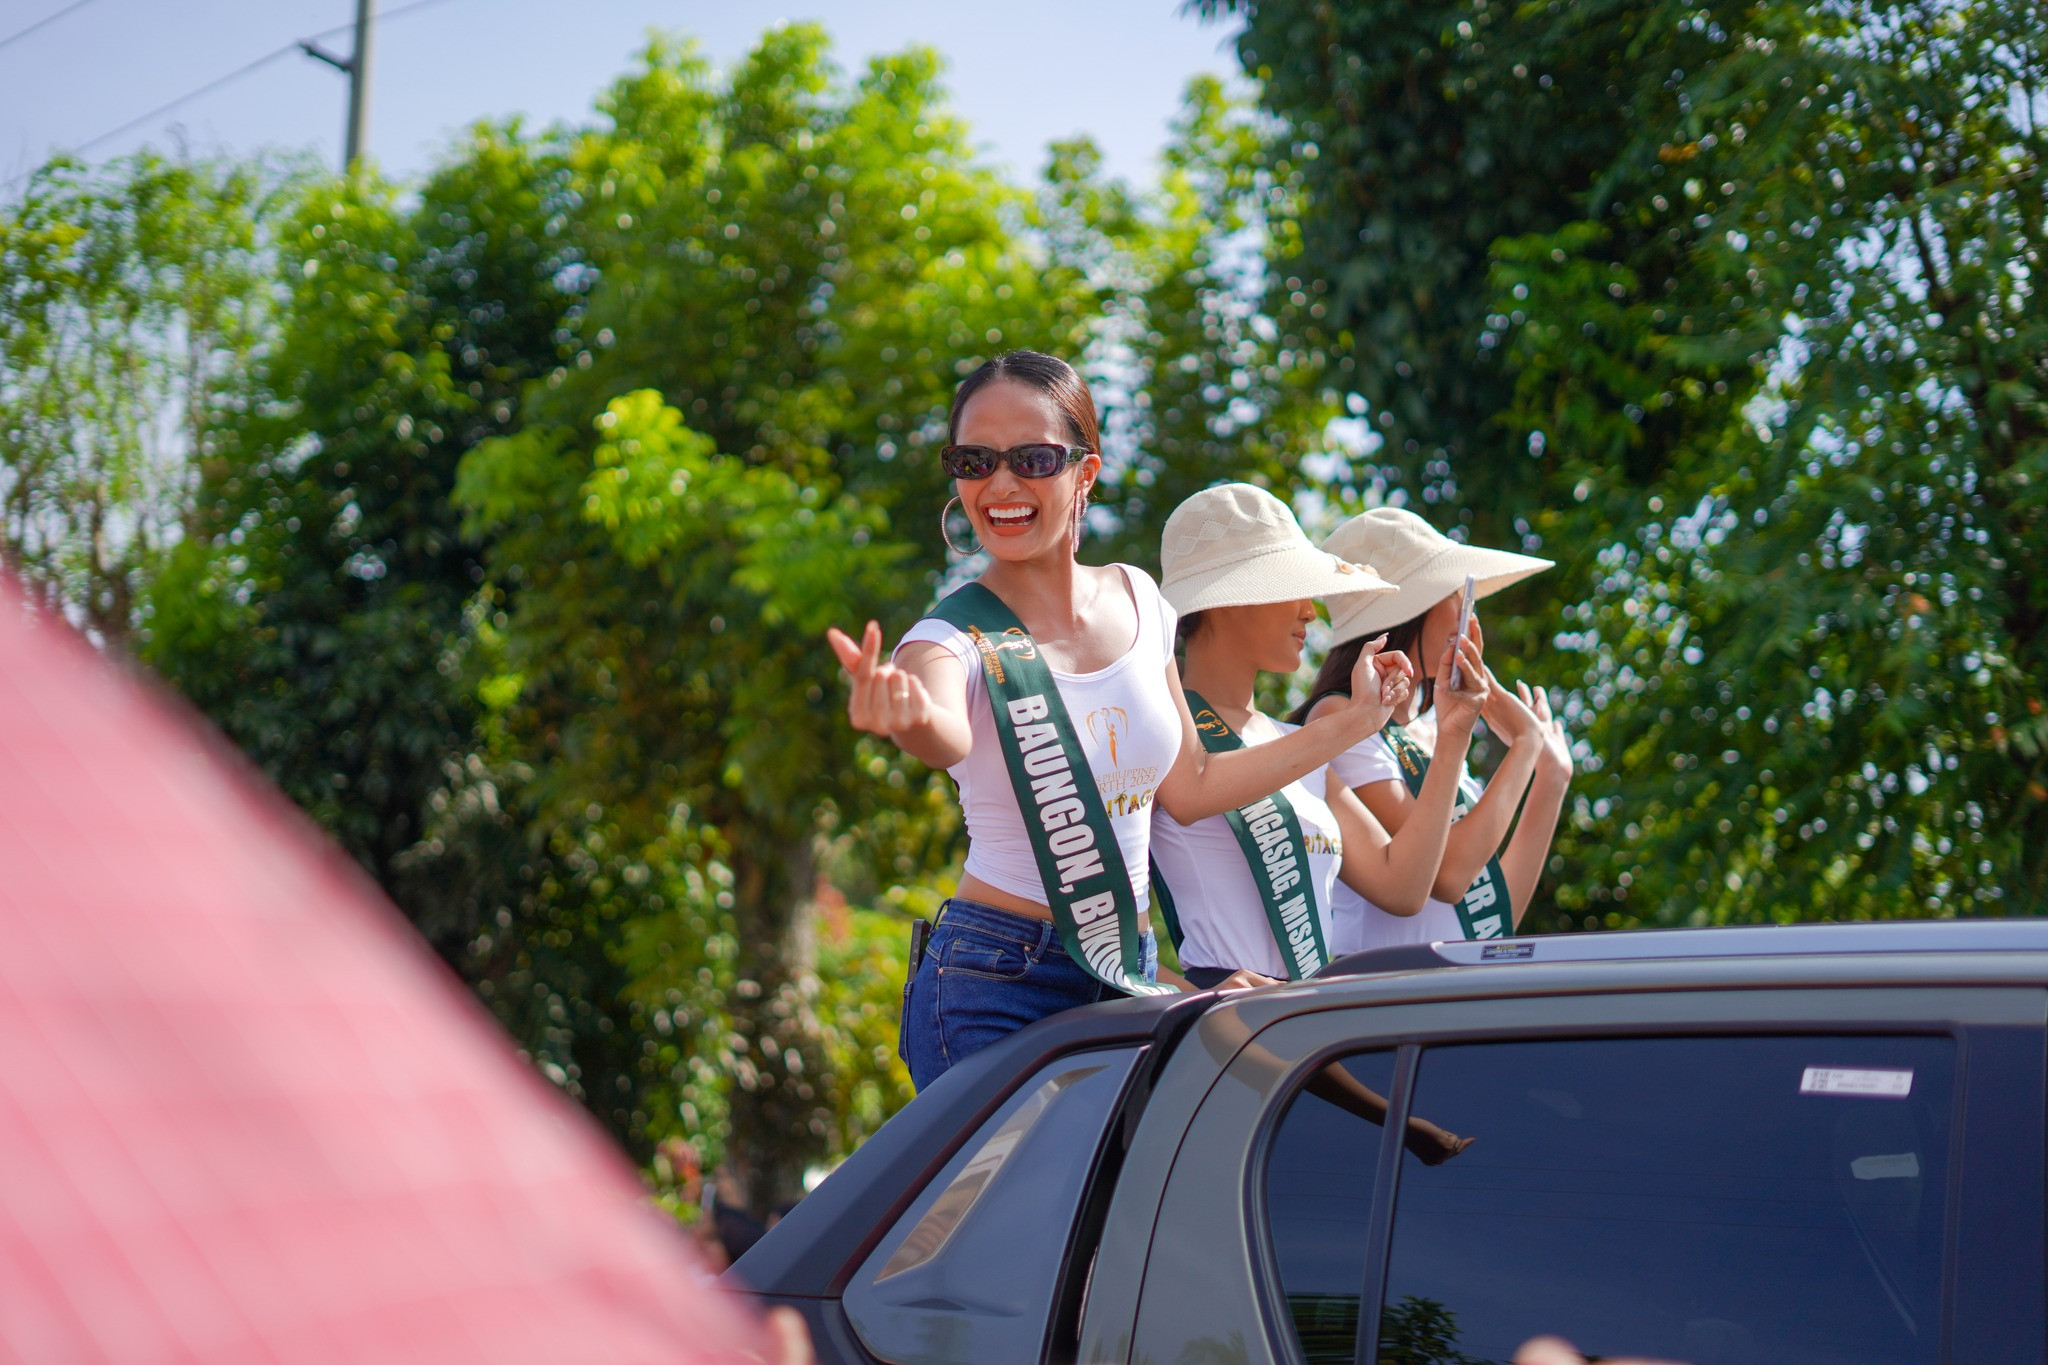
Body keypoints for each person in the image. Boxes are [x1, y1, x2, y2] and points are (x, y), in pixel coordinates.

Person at [826, 352, 1414, 1089]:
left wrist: (1357, 722)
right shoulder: (950, 638)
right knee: (1015, 1207)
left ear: (1086, 472)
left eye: (1032, 458)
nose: (1001, 484)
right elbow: (941, 725)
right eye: (974, 460)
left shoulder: (1142, 600)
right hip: (993, 980)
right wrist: (904, 715)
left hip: (1123, 973)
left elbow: (1194, 785)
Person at [1148, 483, 1493, 987]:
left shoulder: (1298, 741)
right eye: (1293, 586)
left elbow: (1404, 885)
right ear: (1230, 598)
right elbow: (1092, 923)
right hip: (1218, 1034)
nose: (1311, 611)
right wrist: (1186, 998)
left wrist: (1456, 733)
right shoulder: (1157, 730)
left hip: (1303, 1020)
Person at [1296, 507, 1572, 950]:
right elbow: (1448, 877)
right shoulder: (1341, 718)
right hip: (1380, 1002)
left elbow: (1489, 921)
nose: (1470, 612)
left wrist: (1551, 780)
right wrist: (1524, 744)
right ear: (1410, 610)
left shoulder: (1430, 735)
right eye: (1459, 592)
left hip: (1443, 997)